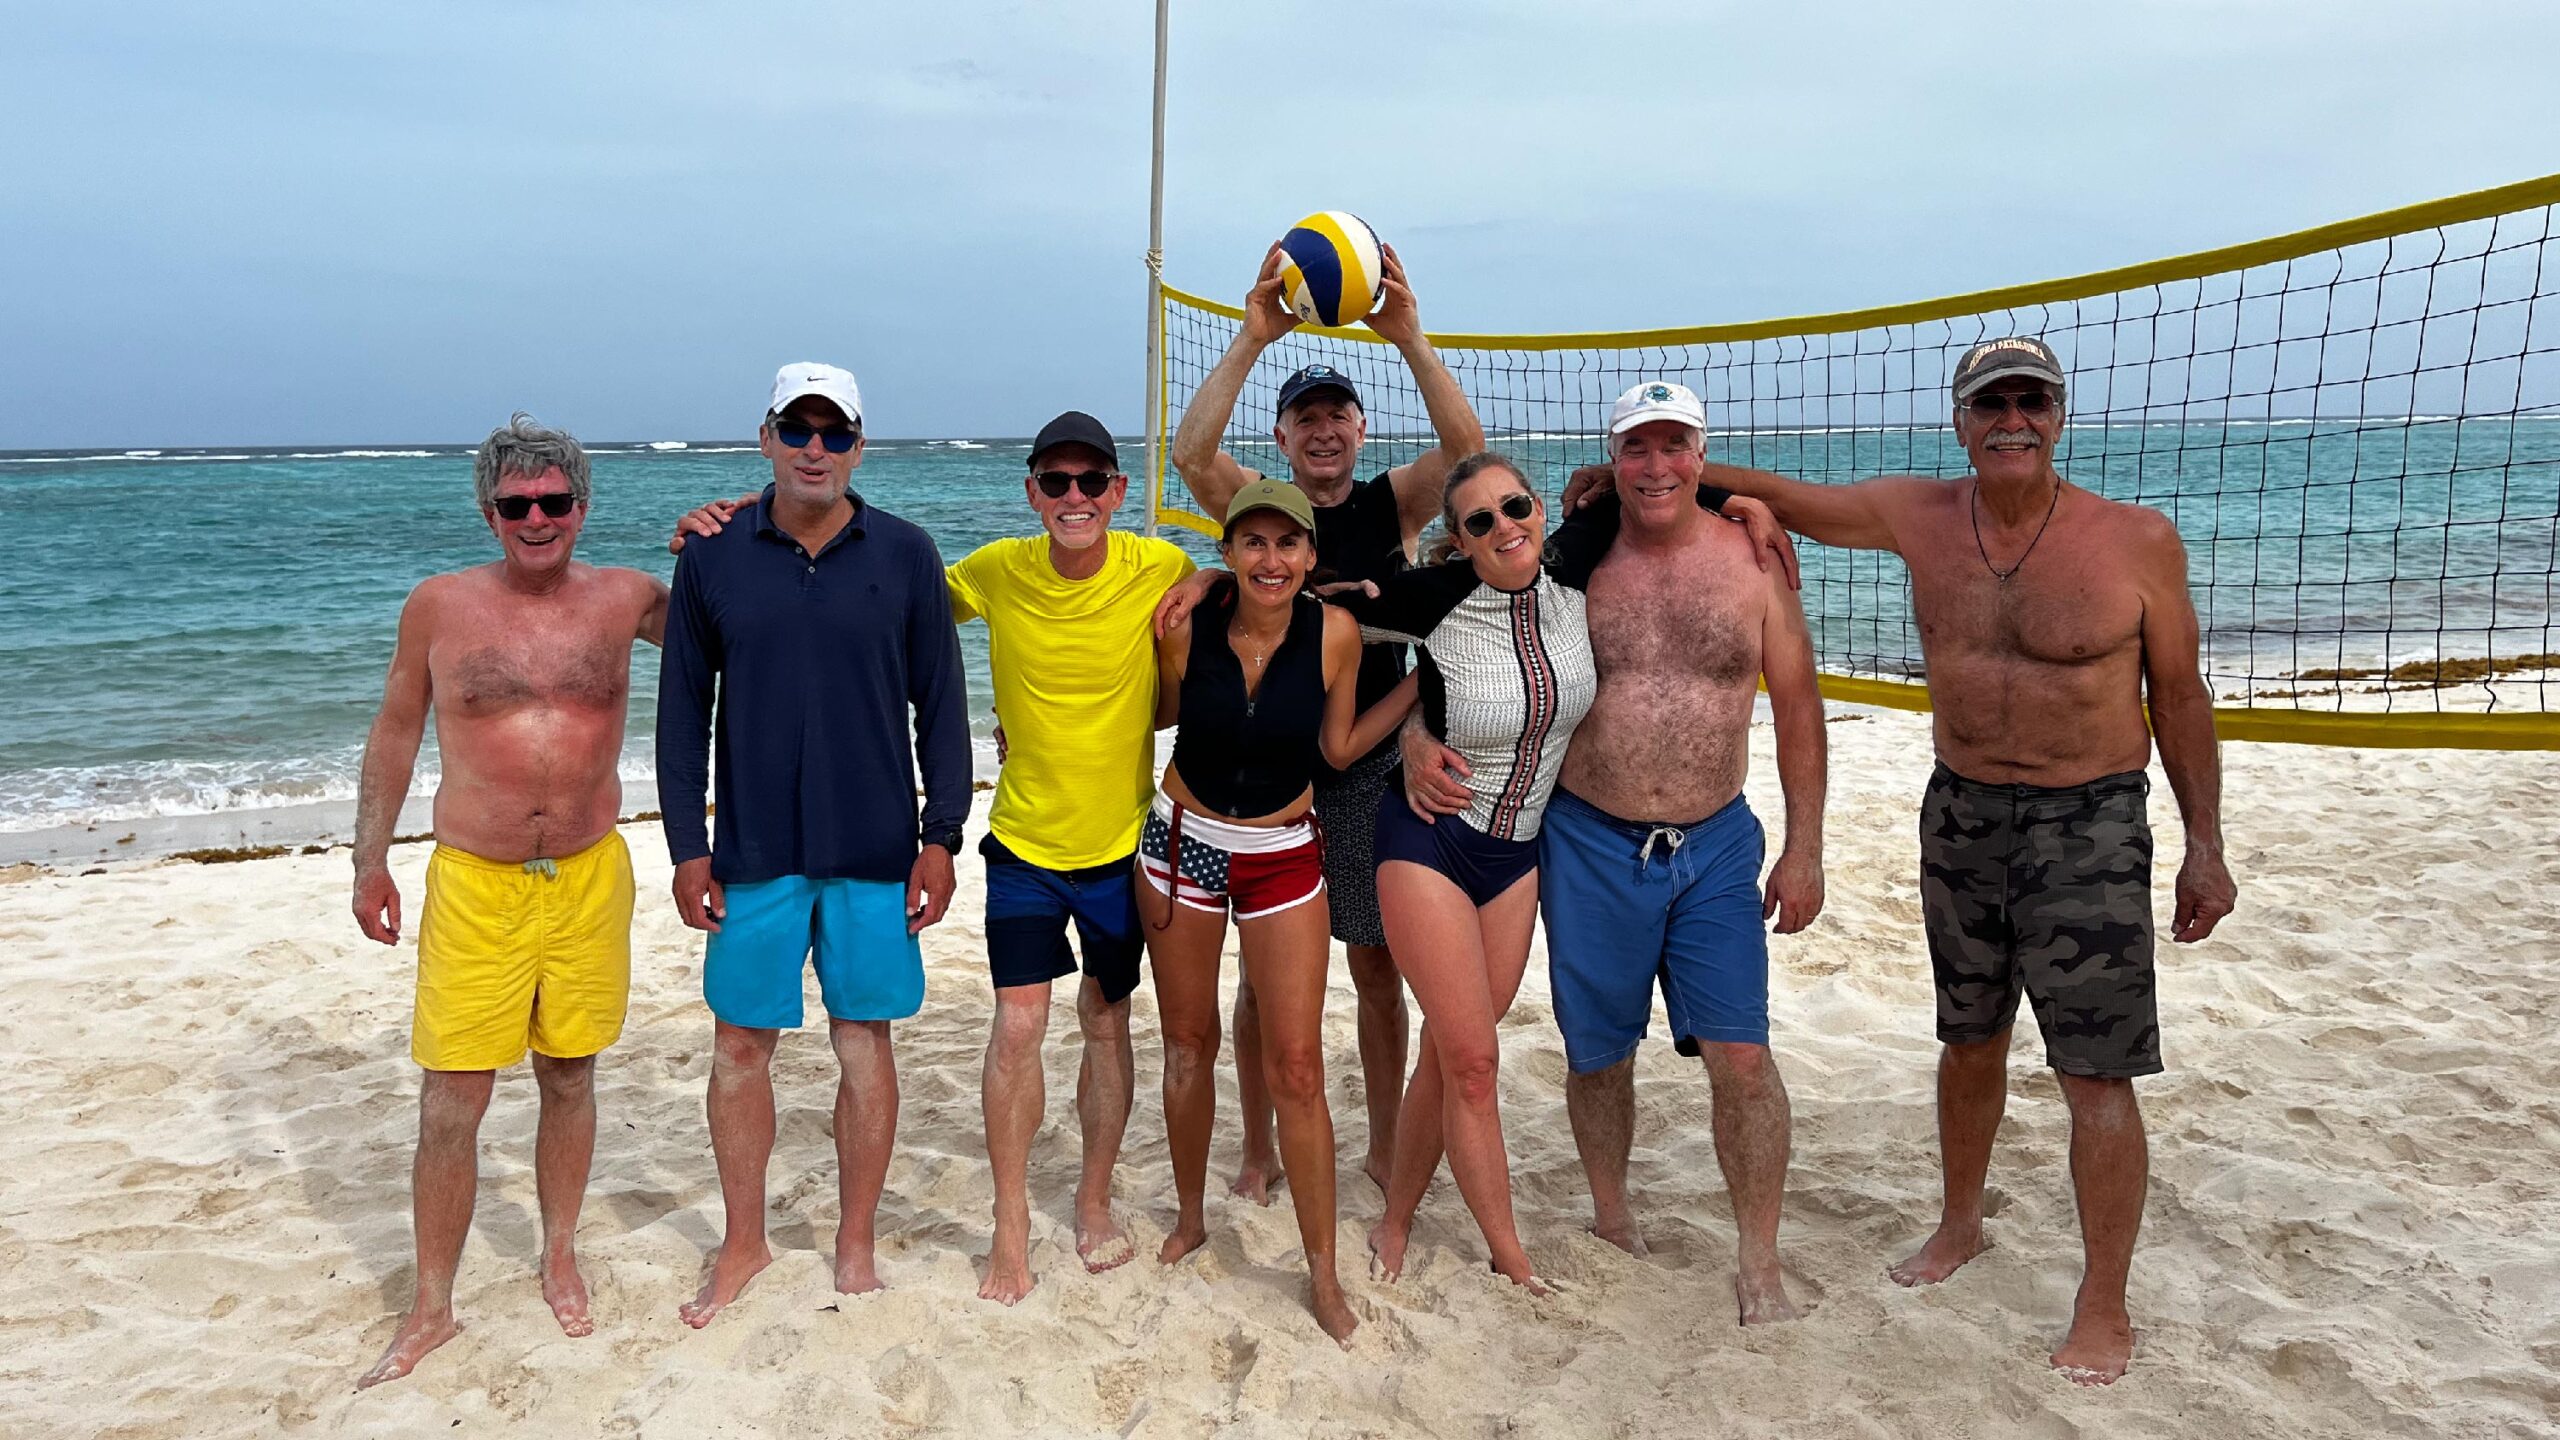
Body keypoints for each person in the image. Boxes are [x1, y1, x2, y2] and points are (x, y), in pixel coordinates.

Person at [1566, 337, 2238, 1383]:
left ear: (2058, 415)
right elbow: (1785, 492)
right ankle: (1958, 1224)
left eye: (2030, 402)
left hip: (2089, 821)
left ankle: (2102, 1302)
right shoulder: (1918, 518)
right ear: (1960, 420)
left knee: (2095, 1074)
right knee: (1966, 1039)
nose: (2010, 419)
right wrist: (1650, 484)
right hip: (1961, 810)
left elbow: (2182, 698)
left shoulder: (2136, 540)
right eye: (1989, 404)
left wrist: (2205, 845)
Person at [1415, 381, 1827, 1326]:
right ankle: (1610, 1217)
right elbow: (1453, 637)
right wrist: (1409, 743)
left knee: (1745, 1060)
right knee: (1598, 1056)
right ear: (1612, 460)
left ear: (1700, 455)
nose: (1656, 466)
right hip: (1589, 837)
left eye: (1673, 446)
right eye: (1634, 449)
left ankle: (1757, 1258)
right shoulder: (1570, 563)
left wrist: (1806, 847)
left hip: (1718, 843)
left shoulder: (1755, 560)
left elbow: (1799, 706)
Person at [348, 414, 668, 1388]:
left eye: (555, 501)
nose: (537, 518)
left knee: (569, 1074)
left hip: (586, 874)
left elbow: (750, 624)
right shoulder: (439, 606)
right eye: (516, 504)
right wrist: (369, 861)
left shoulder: (627, 599)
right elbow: (397, 729)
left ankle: (558, 1248)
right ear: (490, 513)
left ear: (582, 505)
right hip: (476, 881)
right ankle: (432, 1304)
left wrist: (730, 531)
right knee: (454, 1097)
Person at [656, 363, 971, 1327]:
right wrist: (686, 844)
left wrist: (942, 835)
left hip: (878, 846)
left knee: (862, 1044)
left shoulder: (909, 554)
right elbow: (680, 714)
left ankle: (855, 1239)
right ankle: (743, 1240)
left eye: (836, 434)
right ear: (766, 438)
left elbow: (943, 703)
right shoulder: (710, 557)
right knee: (739, 1045)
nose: (816, 449)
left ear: (860, 448)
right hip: (751, 849)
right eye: (799, 429)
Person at [1167, 240, 1478, 1198]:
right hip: (1284, 763)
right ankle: (1261, 1149)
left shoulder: (1393, 501)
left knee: (1378, 970)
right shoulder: (1270, 514)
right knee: (1263, 985)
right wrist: (1255, 336)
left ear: (1358, 424)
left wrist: (1413, 339)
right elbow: (1188, 455)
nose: (1324, 430)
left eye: (1337, 413)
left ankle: (1384, 1147)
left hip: (1376, 760)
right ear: (1286, 435)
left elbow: (1470, 456)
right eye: (1305, 418)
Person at [1144, 479, 1419, 1343]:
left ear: (1309, 556)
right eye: (1252, 543)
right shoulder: (1188, 624)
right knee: (1190, 1044)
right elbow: (1148, 715)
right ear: (1227, 552)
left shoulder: (1333, 633)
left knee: (1297, 1070)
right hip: (1182, 840)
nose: (1271, 559)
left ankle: (1323, 1274)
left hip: (1282, 851)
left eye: (1287, 544)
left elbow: (1336, 746)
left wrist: (1420, 692)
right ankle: (1190, 1218)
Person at [1322, 452, 1603, 1293]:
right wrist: (1202, 585)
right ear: (1458, 540)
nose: (1503, 527)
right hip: (1429, 841)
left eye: (1514, 506)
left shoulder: (1579, 573)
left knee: (1450, 1059)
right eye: (1479, 521)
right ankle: (1508, 1251)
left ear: (1540, 507)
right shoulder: (1433, 601)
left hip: (1516, 855)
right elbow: (1305, 593)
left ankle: (1395, 1217)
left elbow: (1667, 484)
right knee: (1475, 1062)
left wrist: (1757, 516)